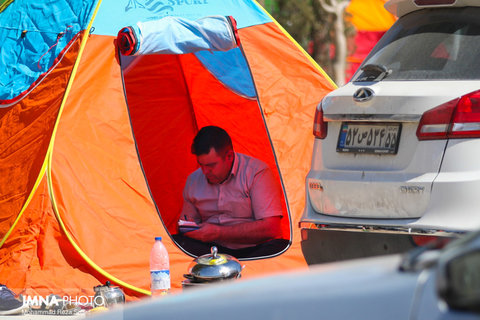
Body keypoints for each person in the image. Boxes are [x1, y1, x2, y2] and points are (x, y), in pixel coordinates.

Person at [173, 126, 289, 258]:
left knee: (279, 248)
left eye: (211, 165)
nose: (205, 172)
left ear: (229, 156)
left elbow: (271, 228)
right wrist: (190, 229)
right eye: (201, 165)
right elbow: (184, 223)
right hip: (212, 250)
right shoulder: (193, 180)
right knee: (174, 243)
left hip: (254, 248)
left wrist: (218, 232)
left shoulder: (257, 172)